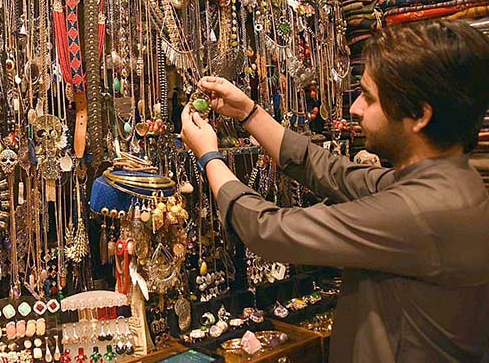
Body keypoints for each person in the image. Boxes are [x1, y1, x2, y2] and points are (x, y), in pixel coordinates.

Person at [179, 20, 489, 363]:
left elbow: (271, 230)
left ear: (419, 115)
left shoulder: (424, 211)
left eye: (368, 98)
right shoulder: (448, 181)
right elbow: (333, 172)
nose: (354, 108)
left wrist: (209, 156)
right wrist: (249, 113)